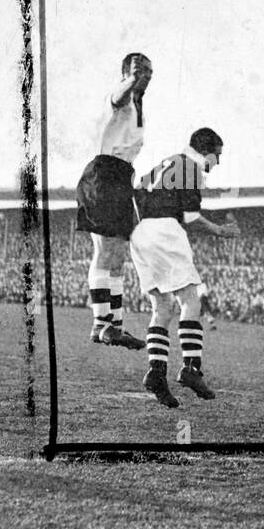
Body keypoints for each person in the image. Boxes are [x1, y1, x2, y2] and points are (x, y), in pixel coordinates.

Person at [130, 127, 239, 408]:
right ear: (206, 151)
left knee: (162, 307)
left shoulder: (165, 163)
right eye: (217, 156)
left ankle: (156, 373)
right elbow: (191, 218)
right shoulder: (191, 166)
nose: (217, 163)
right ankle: (191, 368)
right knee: (191, 301)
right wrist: (220, 230)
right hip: (166, 231)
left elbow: (137, 191)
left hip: (140, 233)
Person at [74, 53, 153, 350]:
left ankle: (115, 324)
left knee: (119, 253)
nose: (146, 75)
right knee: (106, 248)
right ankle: (100, 323)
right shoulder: (120, 97)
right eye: (141, 70)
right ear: (126, 73)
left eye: (149, 72)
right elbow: (117, 96)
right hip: (104, 174)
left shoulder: (140, 107)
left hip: (122, 178)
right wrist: (130, 80)